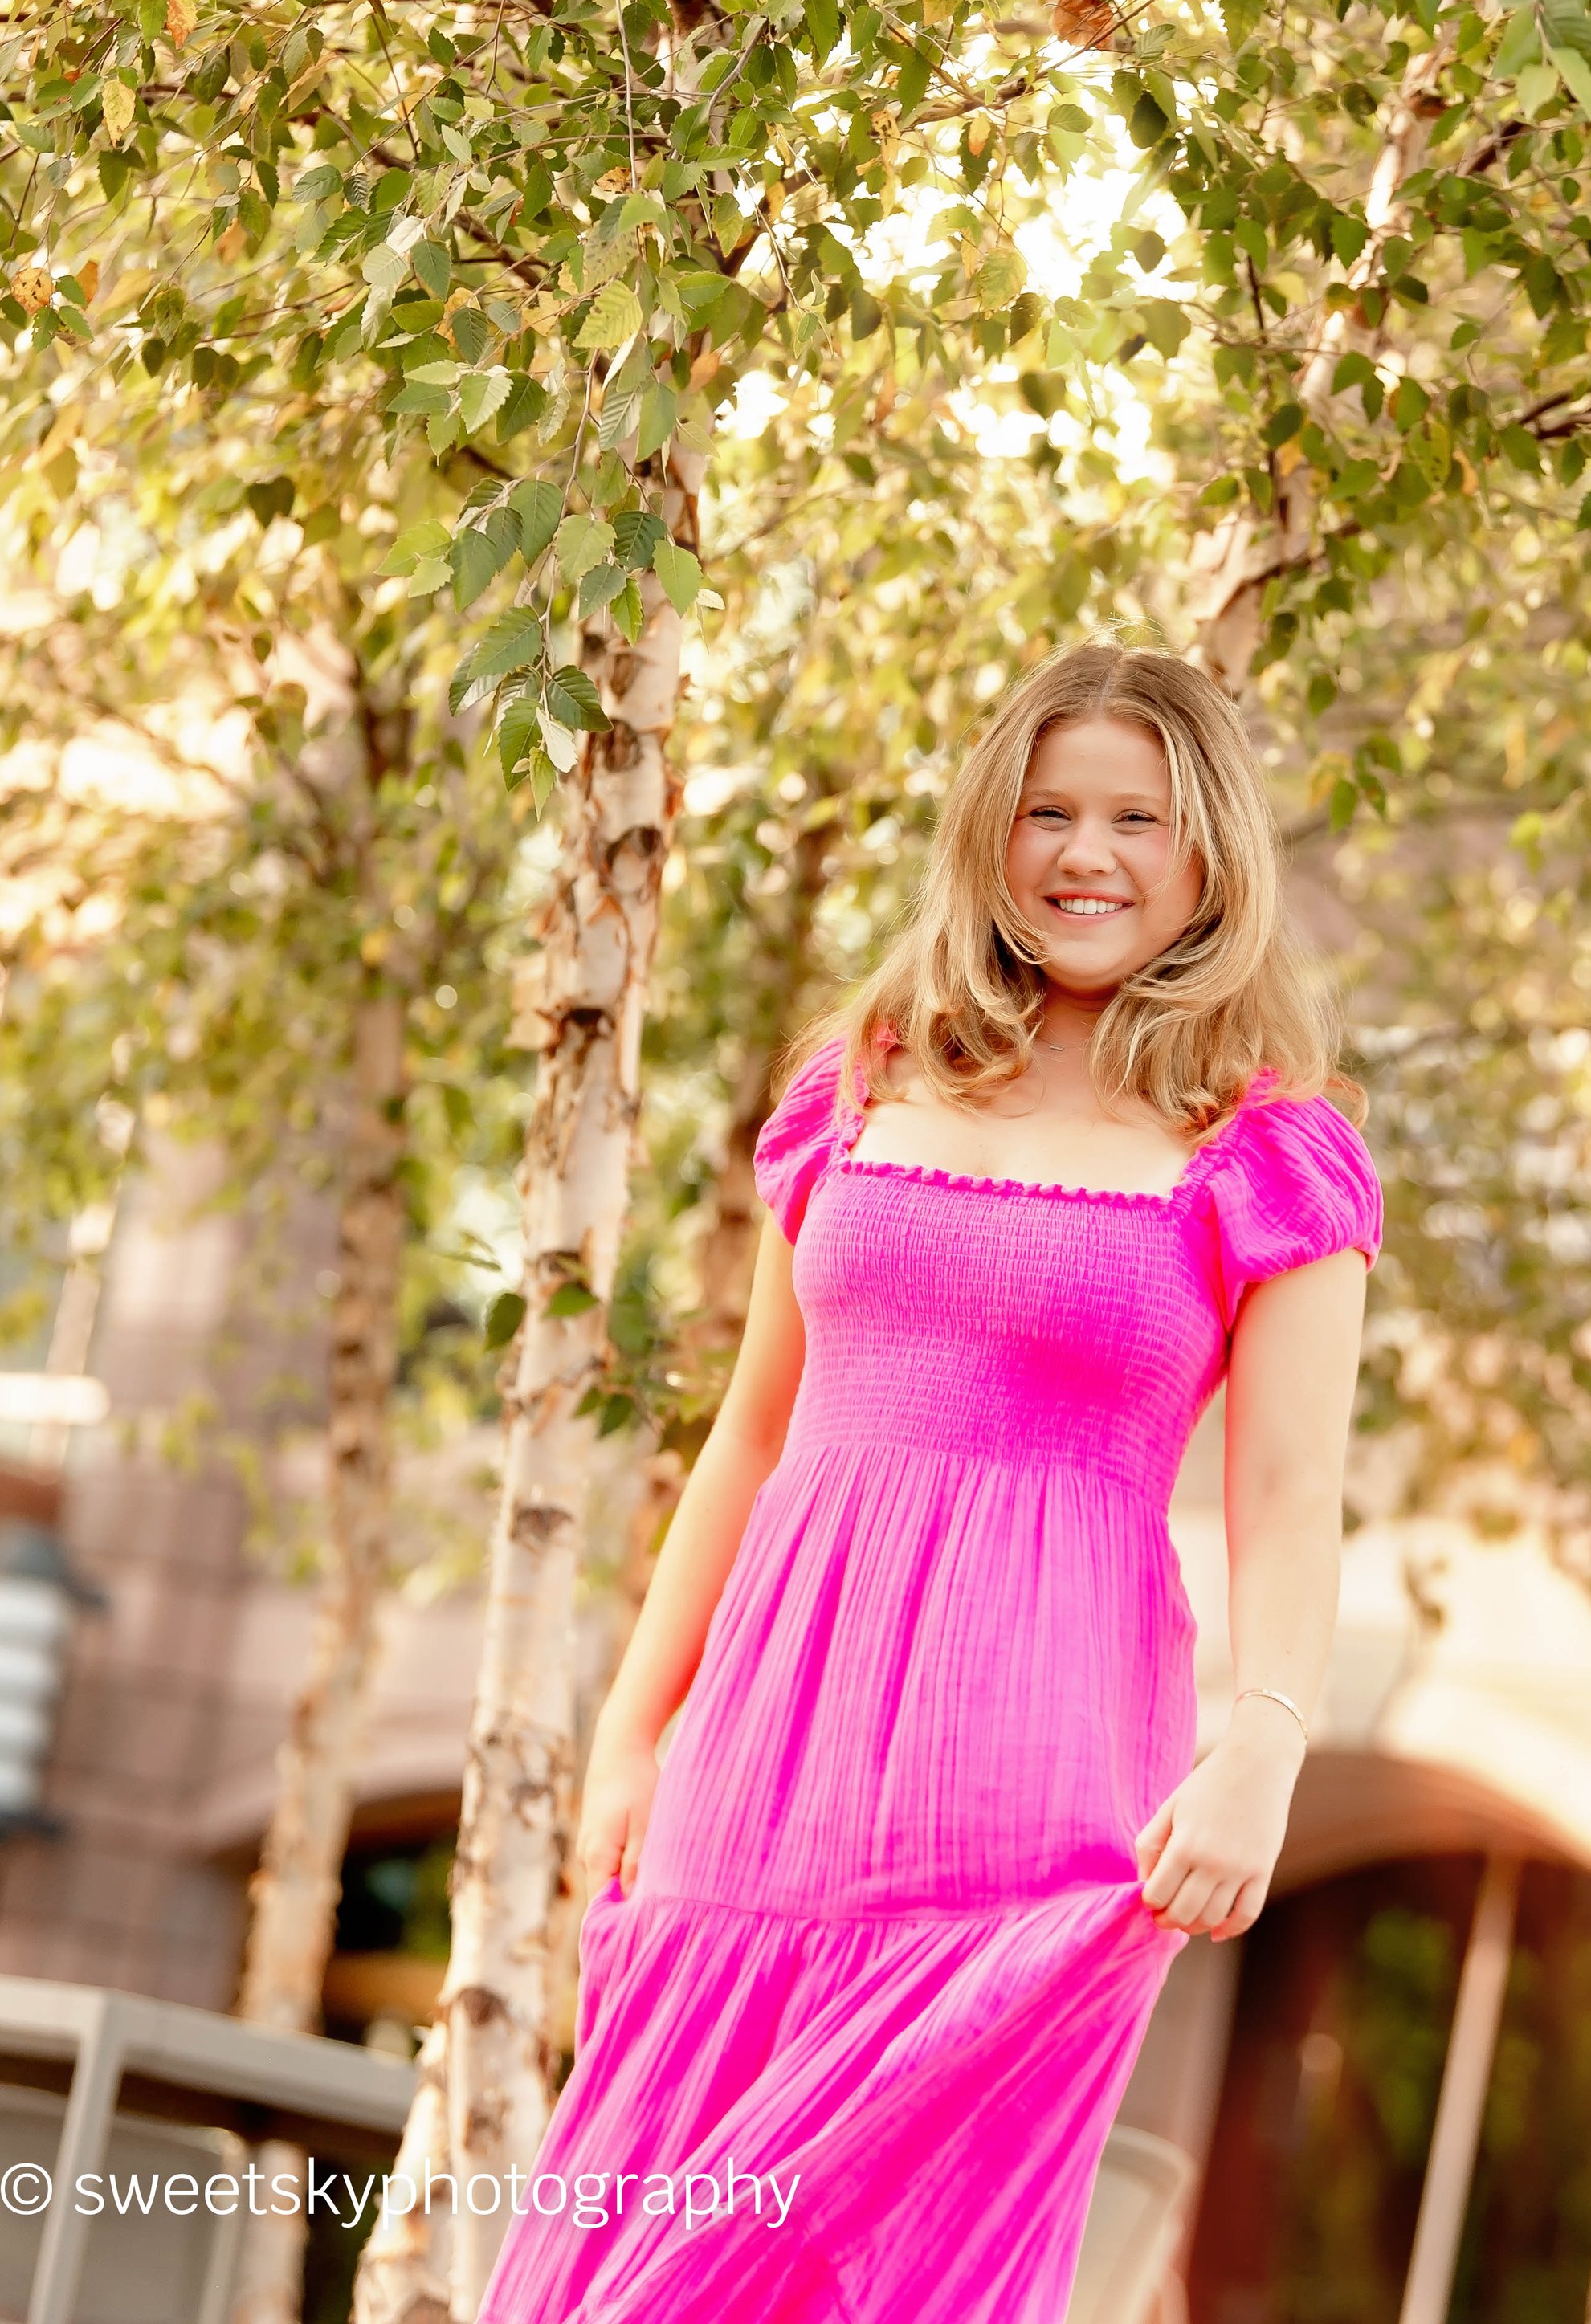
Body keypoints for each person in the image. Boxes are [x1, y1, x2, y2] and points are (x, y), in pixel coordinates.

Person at [477, 641, 1379, 2324]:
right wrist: (631, 1730)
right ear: (990, 831)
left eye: (1137, 818)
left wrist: (1262, 1747)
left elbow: (1287, 1500)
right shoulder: (863, 1080)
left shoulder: (1267, 1152)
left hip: (1033, 1797)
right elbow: (750, 1436)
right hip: (760, 1763)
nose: (1086, 855)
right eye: (1048, 812)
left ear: (1209, 853)